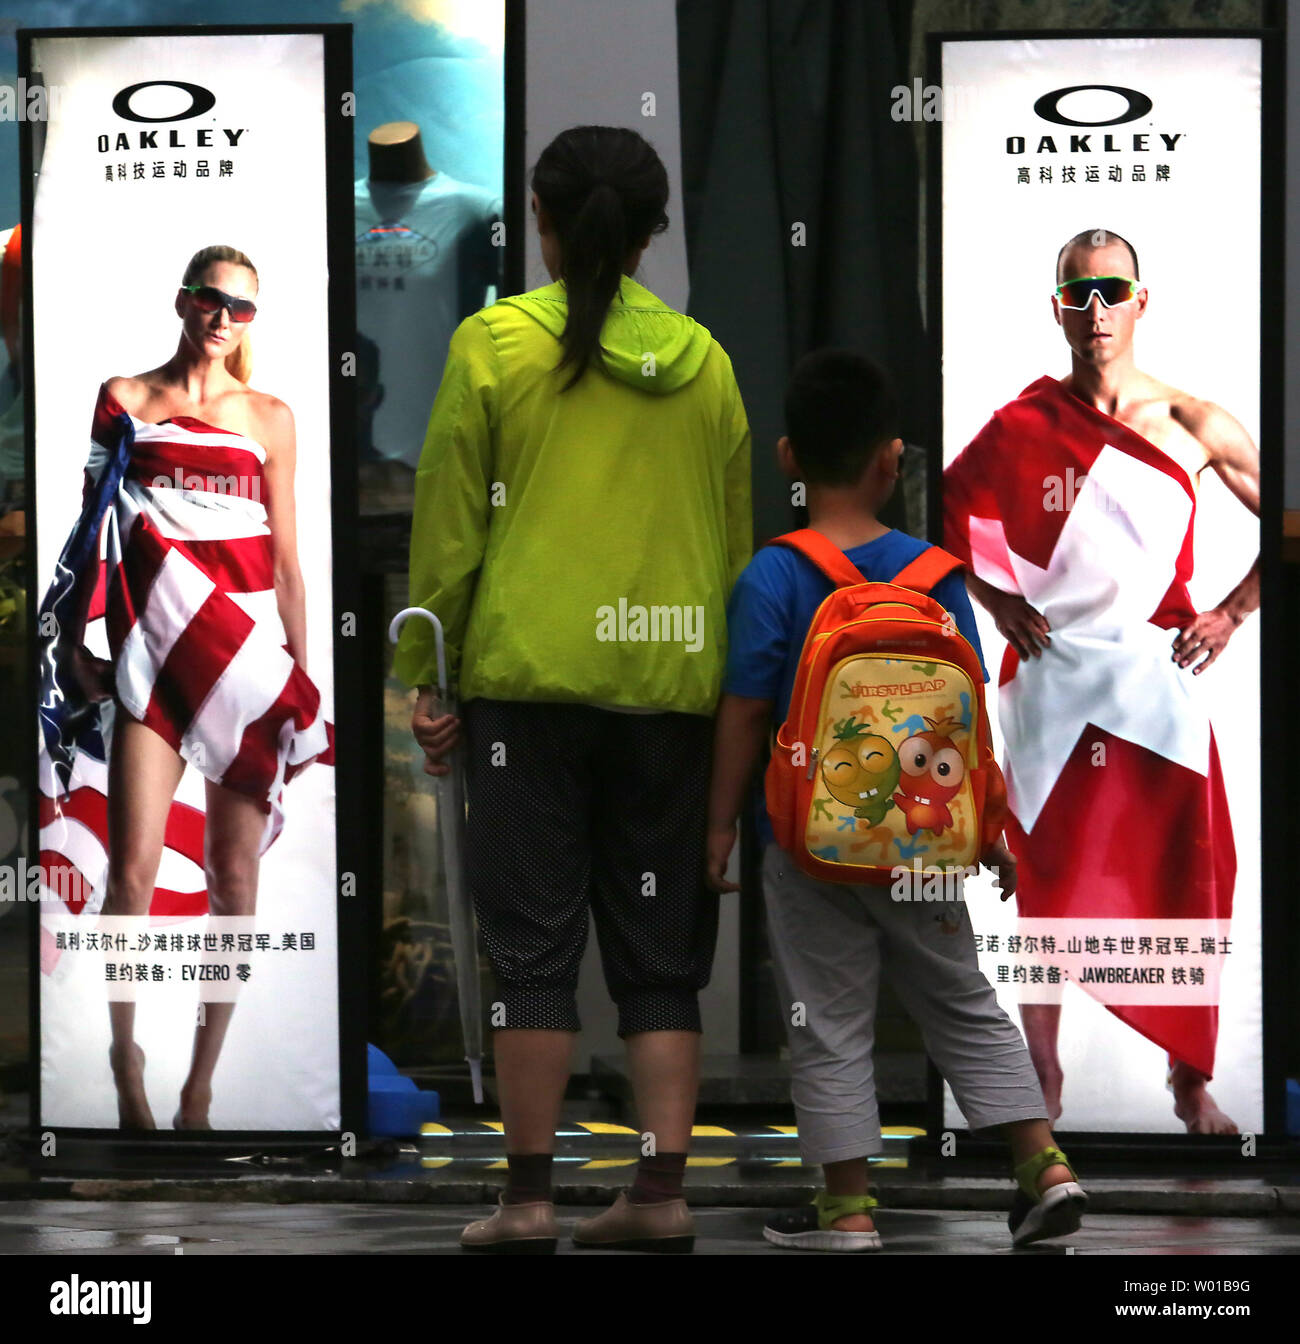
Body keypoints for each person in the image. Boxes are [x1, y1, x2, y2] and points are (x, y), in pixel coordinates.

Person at [396, 125, 751, 1254]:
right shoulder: (708, 365)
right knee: (659, 962)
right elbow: (736, 557)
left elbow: (450, 538)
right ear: (652, 234)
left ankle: (530, 1201)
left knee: (532, 955)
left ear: (541, 223)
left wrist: (428, 676)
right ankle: (660, 1195)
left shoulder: (492, 347)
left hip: (528, 696)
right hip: (669, 694)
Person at [706, 349, 1085, 1250]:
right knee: (960, 997)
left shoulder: (775, 574)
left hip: (808, 849)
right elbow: (968, 722)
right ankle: (1045, 1167)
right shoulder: (939, 575)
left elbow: (745, 711)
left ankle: (849, 1209)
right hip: (924, 846)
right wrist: (987, 825)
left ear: (789, 457)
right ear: (893, 458)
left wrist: (719, 826)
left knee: (826, 1019)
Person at [944, 230, 1259, 1134]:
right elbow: (947, 520)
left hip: (1156, 684)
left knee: (1189, 869)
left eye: (1110, 291)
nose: (1094, 311)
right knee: (1045, 881)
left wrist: (1232, 613)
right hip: (1050, 682)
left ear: (1140, 301)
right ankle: (1040, 1078)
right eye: (1077, 295)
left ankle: (1187, 1079)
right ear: (1056, 309)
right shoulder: (1020, 424)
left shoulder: (1192, 422)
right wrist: (997, 602)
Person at [37, 244, 330, 1130]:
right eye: (210, 299)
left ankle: (199, 1088)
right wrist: (71, 639)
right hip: (149, 660)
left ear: (251, 321)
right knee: (130, 876)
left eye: (241, 307)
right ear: (182, 301)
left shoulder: (270, 417)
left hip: (241, 662)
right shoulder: (125, 400)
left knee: (233, 880)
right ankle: (127, 1058)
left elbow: (285, 563)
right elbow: (91, 527)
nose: (223, 317)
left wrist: (300, 678)